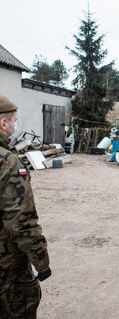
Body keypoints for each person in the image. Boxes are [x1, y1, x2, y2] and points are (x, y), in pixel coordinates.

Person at [0, 93, 51, 318]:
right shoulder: (8, 162)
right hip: (7, 267)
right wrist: (42, 262)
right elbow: (21, 221)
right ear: (4, 123)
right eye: (14, 120)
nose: (14, 125)